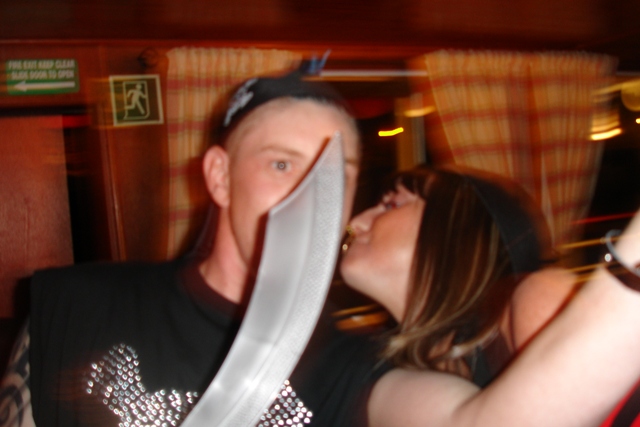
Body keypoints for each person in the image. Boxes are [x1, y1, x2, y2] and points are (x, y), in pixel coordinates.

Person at [0, 71, 387, 427]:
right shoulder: (79, 306)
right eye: (282, 165)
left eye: (336, 177)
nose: (313, 200)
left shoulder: (355, 364)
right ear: (220, 177)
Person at [340, 165, 640, 427]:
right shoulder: (384, 374)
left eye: (391, 204)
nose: (356, 223)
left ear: (457, 231)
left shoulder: (534, 301)